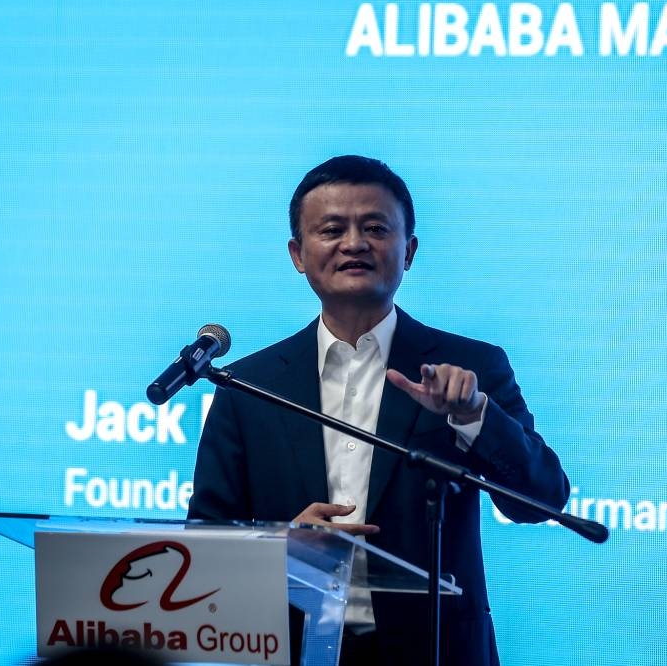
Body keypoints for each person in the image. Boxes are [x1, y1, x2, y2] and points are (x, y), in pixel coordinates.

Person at [187, 155, 570, 666]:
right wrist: (280, 544)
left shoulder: (471, 368)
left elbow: (541, 500)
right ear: (298, 254)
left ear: (408, 251)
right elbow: (205, 539)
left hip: (435, 651)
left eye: (375, 228)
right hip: (288, 647)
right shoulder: (248, 385)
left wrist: (475, 416)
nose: (354, 244)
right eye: (331, 229)